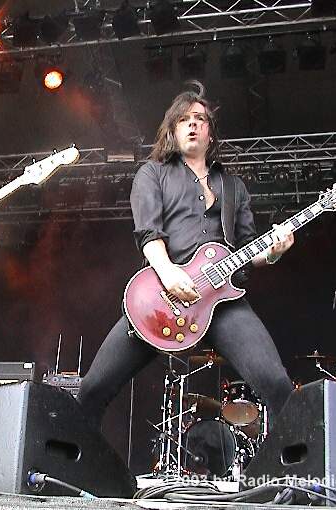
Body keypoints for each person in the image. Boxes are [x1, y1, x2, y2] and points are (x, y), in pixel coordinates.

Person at [77, 82, 294, 433]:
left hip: (222, 302)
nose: (192, 124)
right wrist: (168, 272)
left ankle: (294, 466)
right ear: (173, 130)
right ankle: (75, 462)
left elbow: (247, 247)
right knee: (93, 389)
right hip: (161, 299)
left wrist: (273, 253)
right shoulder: (153, 173)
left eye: (200, 119)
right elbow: (148, 232)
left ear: (210, 133)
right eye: (183, 119)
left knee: (276, 382)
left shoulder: (233, 186)